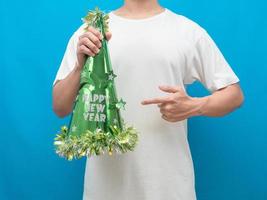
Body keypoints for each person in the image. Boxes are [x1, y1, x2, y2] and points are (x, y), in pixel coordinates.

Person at [52, 0, 244, 200]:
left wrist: (194, 106)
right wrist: (79, 68)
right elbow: (60, 106)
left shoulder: (186, 31)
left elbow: (234, 95)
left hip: (169, 188)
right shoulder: (92, 32)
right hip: (105, 190)